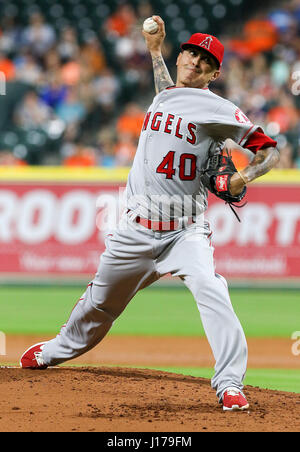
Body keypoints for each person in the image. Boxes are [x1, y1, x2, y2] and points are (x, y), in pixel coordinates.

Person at [20, 16, 280, 411]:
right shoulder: (166, 96)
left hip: (185, 232)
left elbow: (269, 149)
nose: (195, 61)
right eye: (190, 52)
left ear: (215, 72)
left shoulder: (220, 109)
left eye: (204, 59)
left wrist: (243, 177)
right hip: (135, 230)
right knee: (100, 305)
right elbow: (170, 95)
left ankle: (229, 384)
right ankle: (57, 350)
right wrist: (155, 49)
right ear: (181, 57)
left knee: (212, 291)